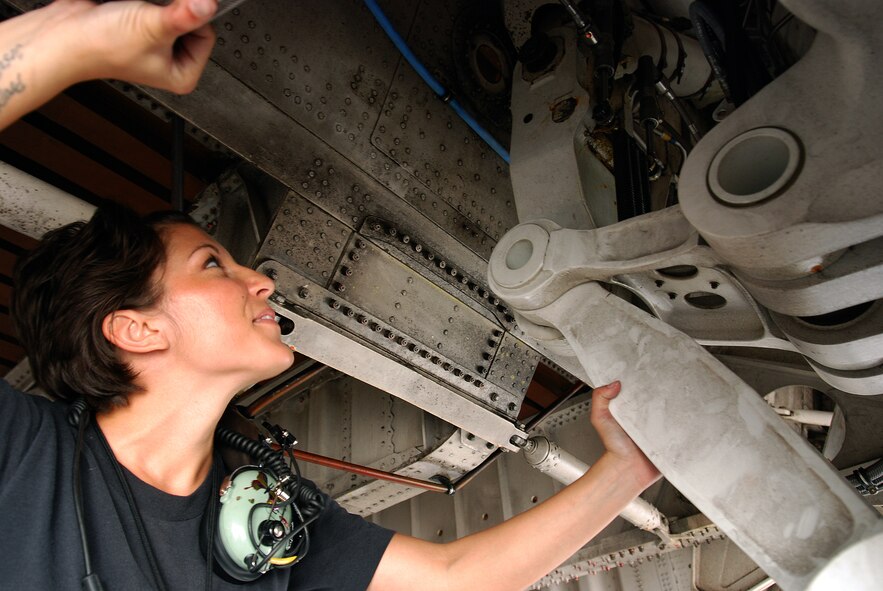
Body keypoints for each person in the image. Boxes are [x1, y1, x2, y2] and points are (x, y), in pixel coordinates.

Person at [0, 1, 660, 589]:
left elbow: (454, 576)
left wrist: (625, 470)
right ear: (136, 328)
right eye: (211, 263)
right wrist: (68, 41)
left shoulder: (268, 517)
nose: (259, 278)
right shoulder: (23, 455)